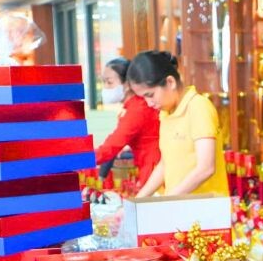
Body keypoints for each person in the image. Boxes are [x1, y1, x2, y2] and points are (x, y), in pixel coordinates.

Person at [128, 51, 230, 197]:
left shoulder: (198, 107)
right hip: (179, 204)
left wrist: (168, 200)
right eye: (144, 98)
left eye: (150, 95)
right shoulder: (166, 113)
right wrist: (139, 200)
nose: (149, 103)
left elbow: (206, 168)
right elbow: (166, 163)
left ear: (170, 82)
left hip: (205, 206)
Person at [94, 57, 161, 188]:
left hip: (152, 169)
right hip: (149, 167)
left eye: (109, 82)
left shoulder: (137, 109)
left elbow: (110, 147)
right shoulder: (133, 106)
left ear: (127, 84)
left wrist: (76, 160)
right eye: (103, 82)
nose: (105, 87)